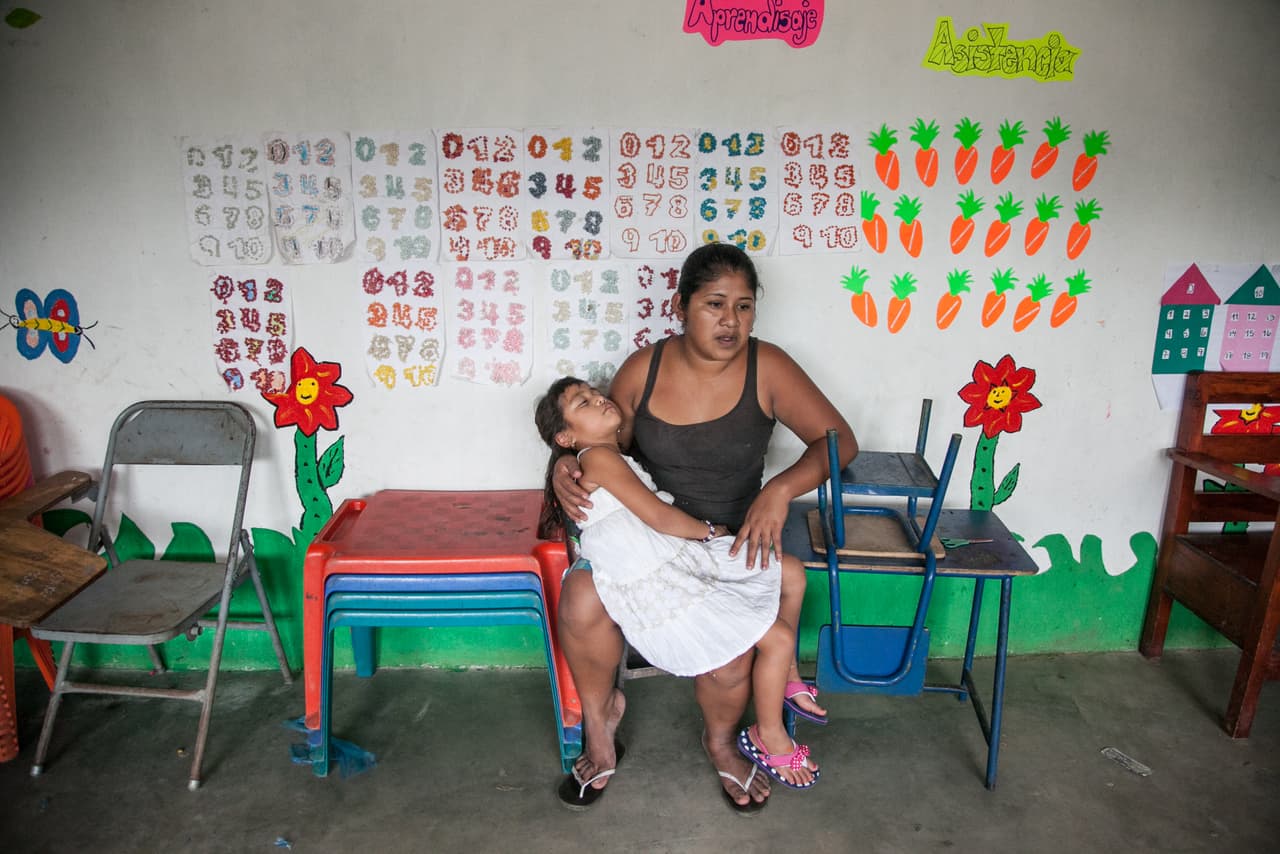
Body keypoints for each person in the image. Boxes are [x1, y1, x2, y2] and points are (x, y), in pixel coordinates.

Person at [550, 242, 857, 812]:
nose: (730, 321)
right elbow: (601, 439)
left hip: (731, 539)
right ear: (681, 306)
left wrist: (779, 489)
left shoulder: (770, 367)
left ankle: (721, 742)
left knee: (733, 654)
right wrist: (565, 464)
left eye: (744, 307)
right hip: (652, 541)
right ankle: (600, 723)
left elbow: (838, 443)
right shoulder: (645, 369)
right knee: (580, 596)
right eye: (714, 304)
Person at [536, 377, 821, 800]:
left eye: (597, 393)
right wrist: (709, 532)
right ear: (565, 435)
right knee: (775, 635)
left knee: (792, 573)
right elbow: (657, 515)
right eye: (585, 401)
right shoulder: (598, 456)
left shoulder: (606, 457)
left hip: (677, 555)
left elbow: (651, 517)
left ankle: (781, 684)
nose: (600, 397)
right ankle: (769, 733)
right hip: (666, 567)